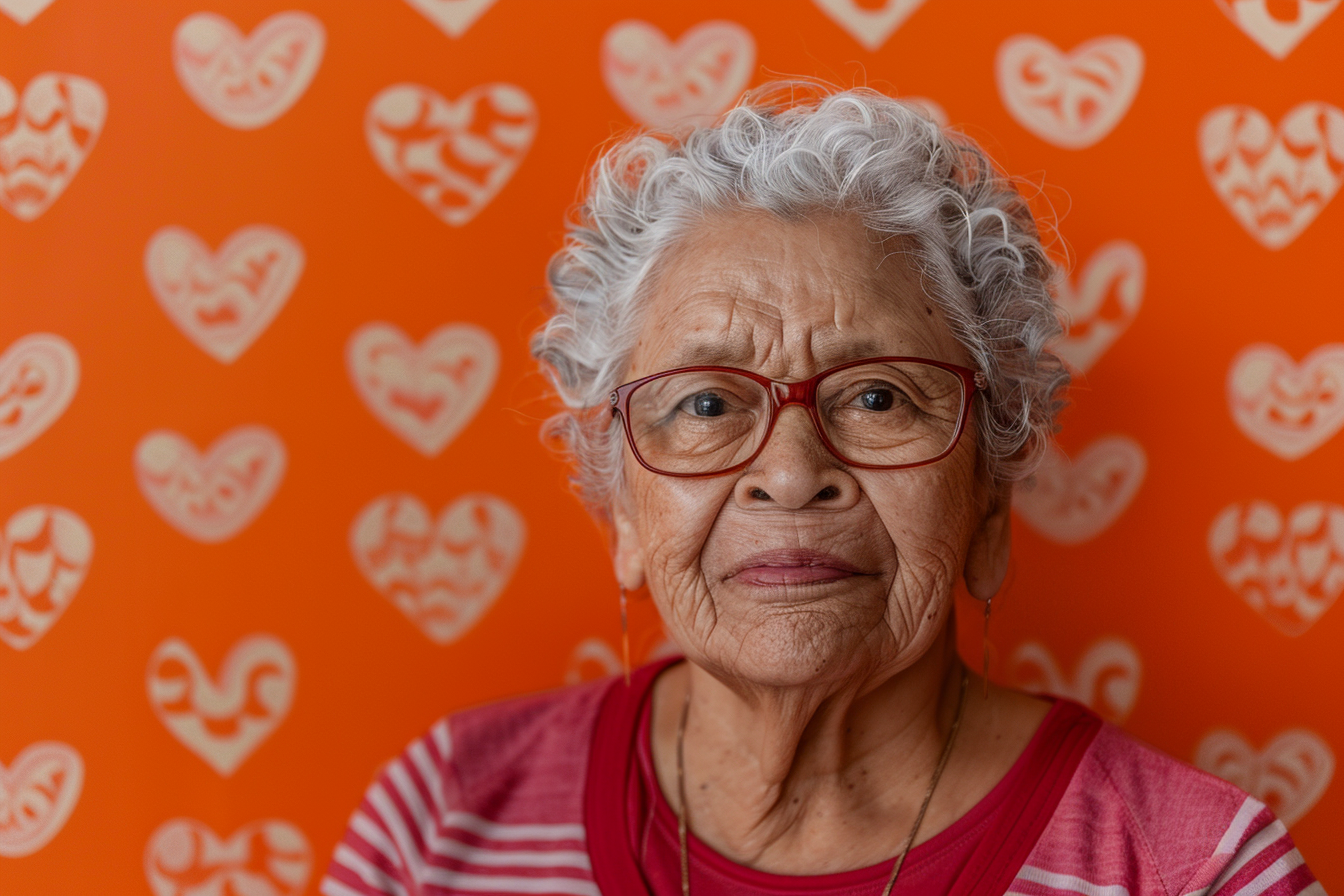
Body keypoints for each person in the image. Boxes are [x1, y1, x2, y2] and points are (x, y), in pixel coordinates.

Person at [320, 85, 1321, 896]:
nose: (793, 472)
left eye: (878, 394)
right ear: (621, 508)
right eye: (707, 404)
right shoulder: (442, 820)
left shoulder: (1198, 869)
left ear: (987, 502)